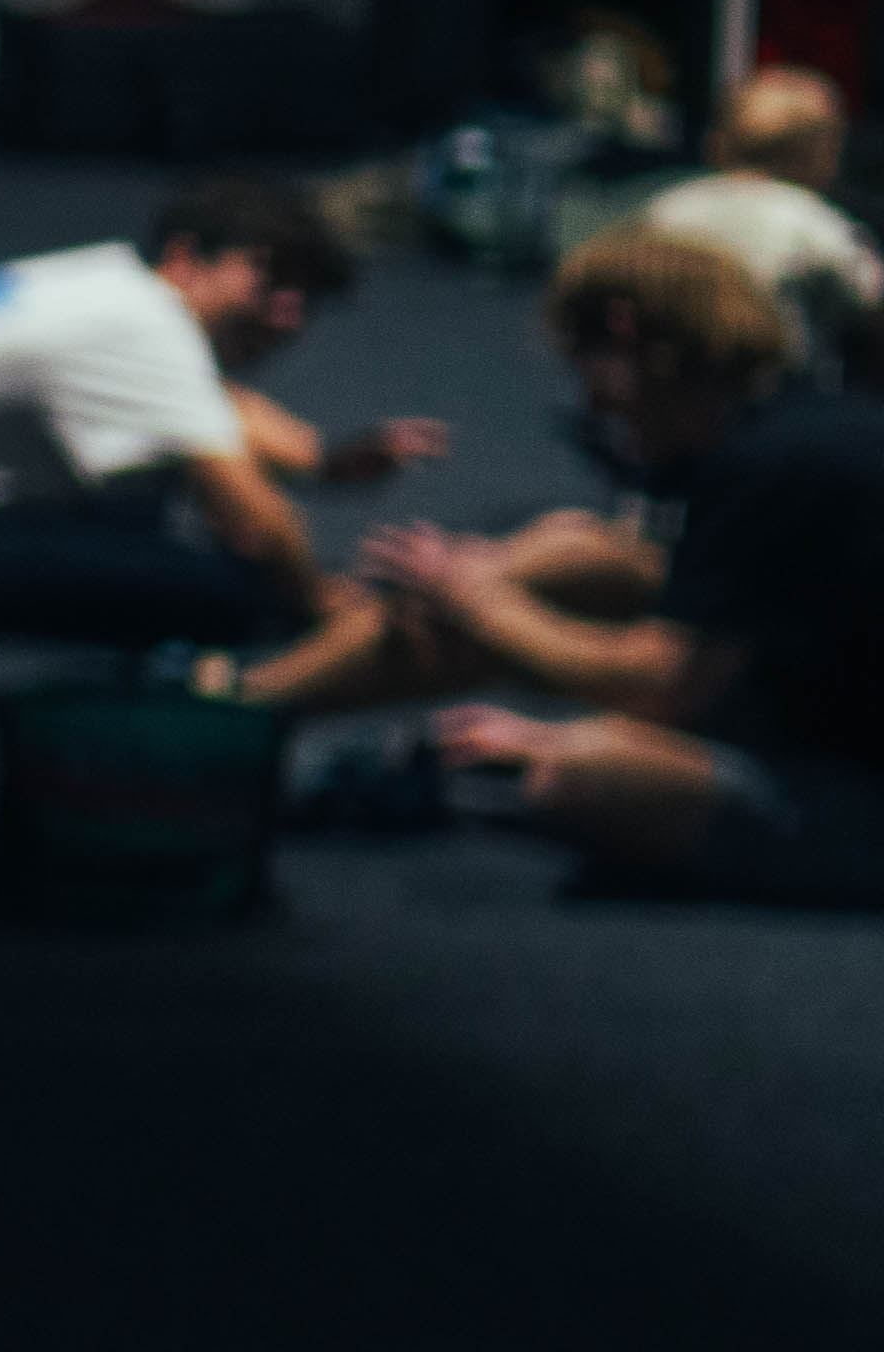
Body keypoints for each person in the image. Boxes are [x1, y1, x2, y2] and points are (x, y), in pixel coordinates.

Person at [252, 227, 884, 897]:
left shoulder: (784, 465)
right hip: (807, 724)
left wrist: (478, 602)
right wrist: (485, 589)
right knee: (579, 550)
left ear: (624, 332)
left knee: (581, 778)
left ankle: (362, 757)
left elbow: (666, 689)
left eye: (584, 366)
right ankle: (245, 704)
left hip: (856, 793)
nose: (592, 407)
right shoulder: (784, 430)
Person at [0, 175, 429, 648]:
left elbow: (214, 402)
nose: (287, 315)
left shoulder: (104, 283)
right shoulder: (145, 330)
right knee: (229, 590)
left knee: (155, 487)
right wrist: (318, 605)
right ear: (186, 258)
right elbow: (262, 519)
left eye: (305, 298)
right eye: (270, 280)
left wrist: (322, 462)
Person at [626, 65, 880, 379]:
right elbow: (872, 306)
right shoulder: (813, 223)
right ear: (820, 153)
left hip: (671, 385)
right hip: (777, 394)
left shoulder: (664, 209)